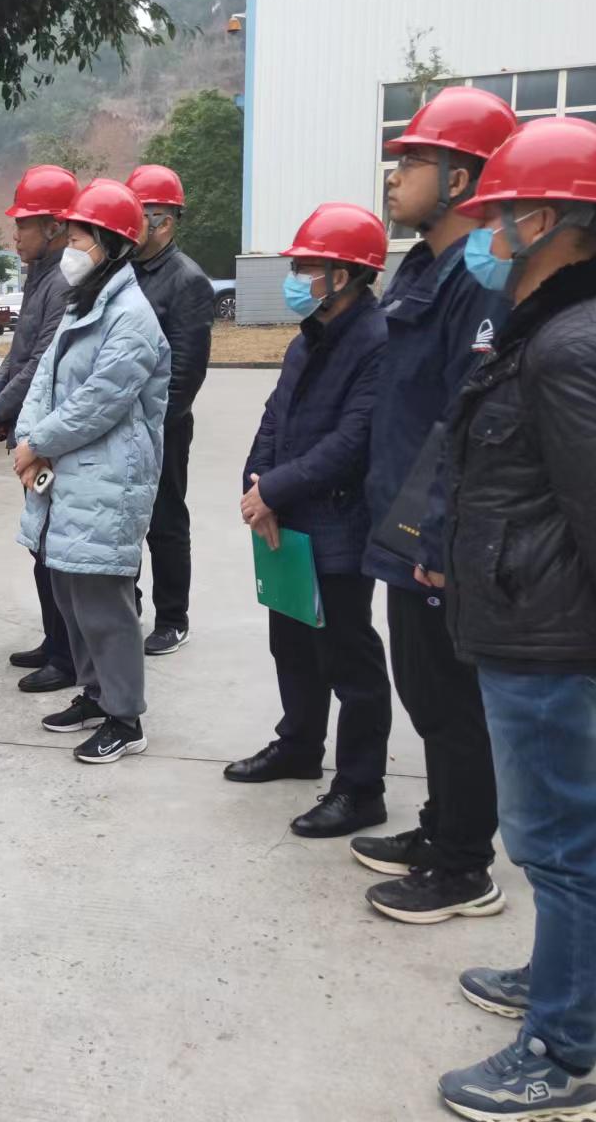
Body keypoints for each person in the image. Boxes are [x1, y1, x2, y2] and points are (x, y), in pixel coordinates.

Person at [435, 116, 596, 1122]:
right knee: (549, 840)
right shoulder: (548, 327)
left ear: (543, 220)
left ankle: (562, 1051)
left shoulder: (574, 343)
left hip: (552, 635)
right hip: (529, 618)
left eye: (497, 214)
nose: (484, 233)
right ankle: (558, 981)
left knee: (561, 847)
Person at [353, 86, 516, 926]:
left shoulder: (481, 280)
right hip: (403, 521)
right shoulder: (421, 267)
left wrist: (437, 535)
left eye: (412, 162)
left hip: (436, 533)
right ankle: (440, 825)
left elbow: (469, 420)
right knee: (424, 690)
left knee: (452, 704)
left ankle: (463, 867)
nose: (395, 176)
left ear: (460, 179)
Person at [227, 204, 393, 838]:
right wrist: (257, 487)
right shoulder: (309, 338)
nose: (296, 278)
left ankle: (361, 788)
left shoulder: (377, 341)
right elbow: (276, 417)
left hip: (341, 523)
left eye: (306, 267)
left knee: (348, 658)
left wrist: (273, 489)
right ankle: (298, 746)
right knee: (292, 643)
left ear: (343, 275)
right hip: (288, 520)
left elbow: (354, 440)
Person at [13, 180, 171, 764]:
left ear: (111, 244)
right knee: (70, 591)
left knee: (104, 600)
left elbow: (99, 401)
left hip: (108, 477)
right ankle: (96, 694)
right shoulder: (85, 302)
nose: (71, 248)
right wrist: (29, 438)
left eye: (80, 238)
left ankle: (125, 718)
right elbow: (45, 379)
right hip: (68, 471)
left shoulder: (133, 318)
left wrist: (38, 443)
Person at [0, 164, 80, 695]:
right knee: (40, 540)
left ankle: (67, 655)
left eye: (24, 223)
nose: (15, 233)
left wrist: (3, 405)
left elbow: (43, 360)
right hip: (30, 435)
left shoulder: (62, 282)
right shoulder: (39, 276)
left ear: (54, 226)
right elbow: (18, 350)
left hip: (49, 442)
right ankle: (53, 640)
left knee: (53, 545)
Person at [125, 164, 216, 656]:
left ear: (162, 220)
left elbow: (185, 374)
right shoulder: (125, 271)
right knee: (125, 517)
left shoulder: (187, 281)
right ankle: (127, 605)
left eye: (136, 214)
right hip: (122, 421)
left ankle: (173, 618)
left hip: (164, 426)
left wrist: (150, 427)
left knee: (164, 520)